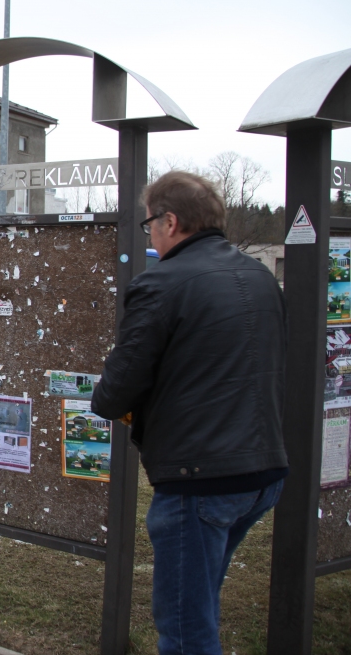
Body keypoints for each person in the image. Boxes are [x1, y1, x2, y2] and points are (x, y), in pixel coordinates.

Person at [91, 171, 288, 655]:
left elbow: (114, 393)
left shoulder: (161, 283)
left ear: (171, 222)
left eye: (149, 226)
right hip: (262, 472)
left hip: (198, 481)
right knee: (200, 600)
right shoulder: (259, 277)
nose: (150, 236)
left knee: (184, 629)